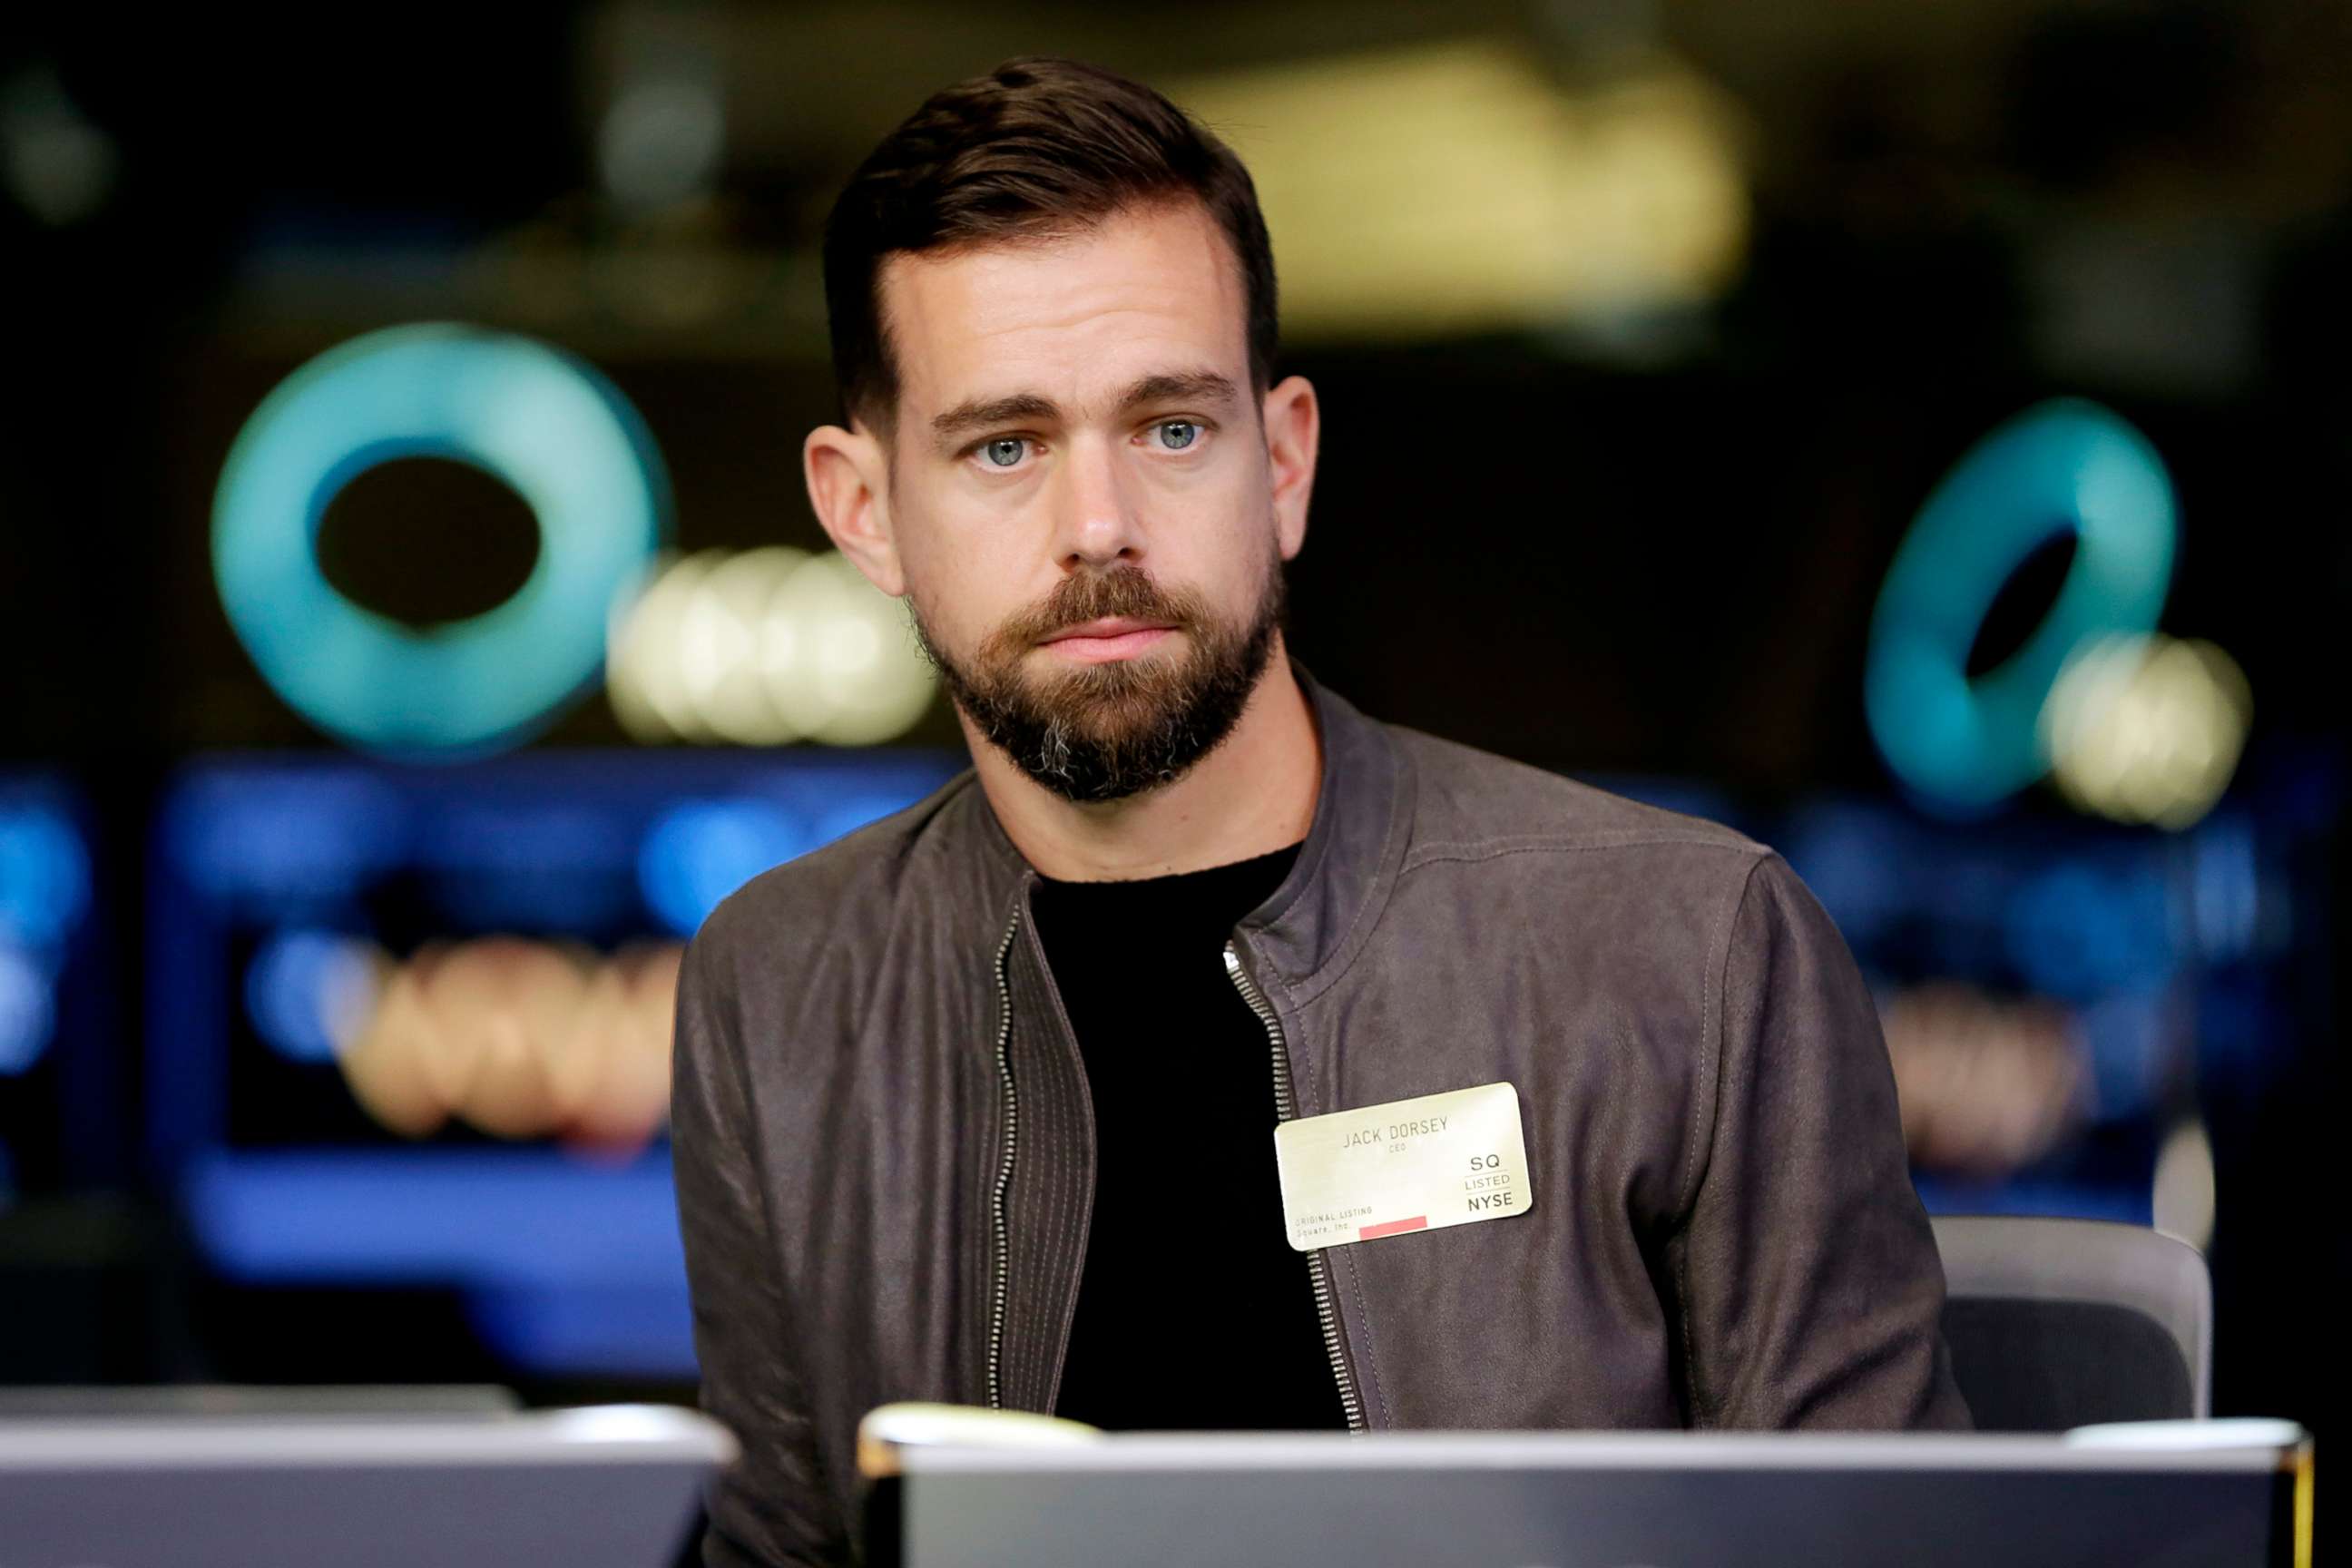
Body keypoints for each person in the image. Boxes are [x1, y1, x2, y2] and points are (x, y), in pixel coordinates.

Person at [671, 54, 1968, 1568]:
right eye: (1004, 446)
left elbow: (1881, 1550)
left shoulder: (1689, 947)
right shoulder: (782, 983)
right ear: (865, 511)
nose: (1099, 528)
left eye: (1171, 429)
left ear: (1281, 463)